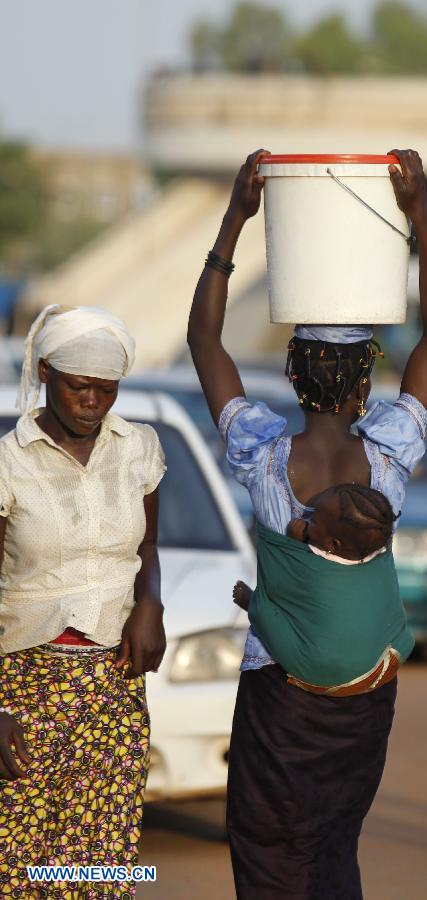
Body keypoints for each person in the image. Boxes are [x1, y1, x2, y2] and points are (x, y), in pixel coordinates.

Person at [188, 148, 427, 899]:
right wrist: (420, 216)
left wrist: (237, 219)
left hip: (280, 695)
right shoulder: (392, 456)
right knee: (335, 844)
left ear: (295, 376)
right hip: (363, 700)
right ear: (367, 381)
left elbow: (205, 342)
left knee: (269, 845)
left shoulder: (260, 454)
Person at [0, 305, 166, 898]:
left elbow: (149, 545)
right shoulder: (8, 461)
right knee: (20, 860)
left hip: (112, 685)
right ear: (46, 373)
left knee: (101, 857)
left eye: (106, 388)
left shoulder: (138, 448)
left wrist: (152, 606)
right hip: (22, 685)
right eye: (78, 386)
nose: (93, 401)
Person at [232, 483, 413, 696]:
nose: (307, 522)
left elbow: (285, 587)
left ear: (332, 545)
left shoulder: (313, 568)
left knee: (265, 610)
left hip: (322, 669)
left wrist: (294, 540)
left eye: (314, 521)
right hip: (386, 660)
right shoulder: (377, 557)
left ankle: (250, 603)